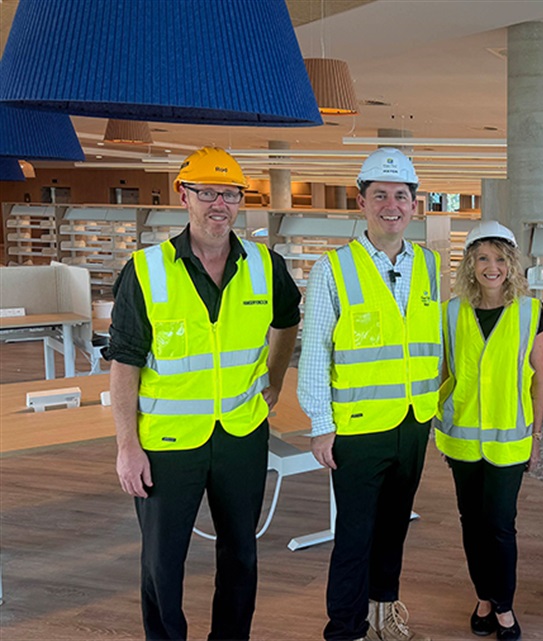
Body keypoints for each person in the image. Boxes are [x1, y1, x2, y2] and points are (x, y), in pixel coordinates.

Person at [109, 147, 301, 640]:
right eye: (208, 192)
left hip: (241, 434)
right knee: (161, 561)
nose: (221, 203)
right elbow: (125, 362)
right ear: (184, 196)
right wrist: (127, 448)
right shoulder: (147, 270)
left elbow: (287, 321)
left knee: (241, 552)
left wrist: (274, 380)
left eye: (231, 194)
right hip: (168, 442)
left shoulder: (265, 264)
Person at [298, 148, 442, 641]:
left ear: (415, 206)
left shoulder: (428, 265)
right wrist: (320, 423)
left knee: (394, 527)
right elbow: (314, 350)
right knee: (355, 536)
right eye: (380, 195)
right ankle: (345, 629)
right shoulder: (332, 269)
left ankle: (384, 613)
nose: (392, 205)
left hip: (412, 420)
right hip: (357, 428)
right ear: (361, 203)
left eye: (401, 196)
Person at [435, 221, 543, 641]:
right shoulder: (451, 311)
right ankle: (483, 597)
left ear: (512, 263)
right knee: (471, 522)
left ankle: (502, 605)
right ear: (470, 264)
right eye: (482, 258)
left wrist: (536, 437)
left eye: (500, 258)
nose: (492, 267)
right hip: (461, 439)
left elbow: (540, 379)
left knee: (500, 525)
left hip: (509, 441)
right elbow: (446, 372)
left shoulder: (530, 312)